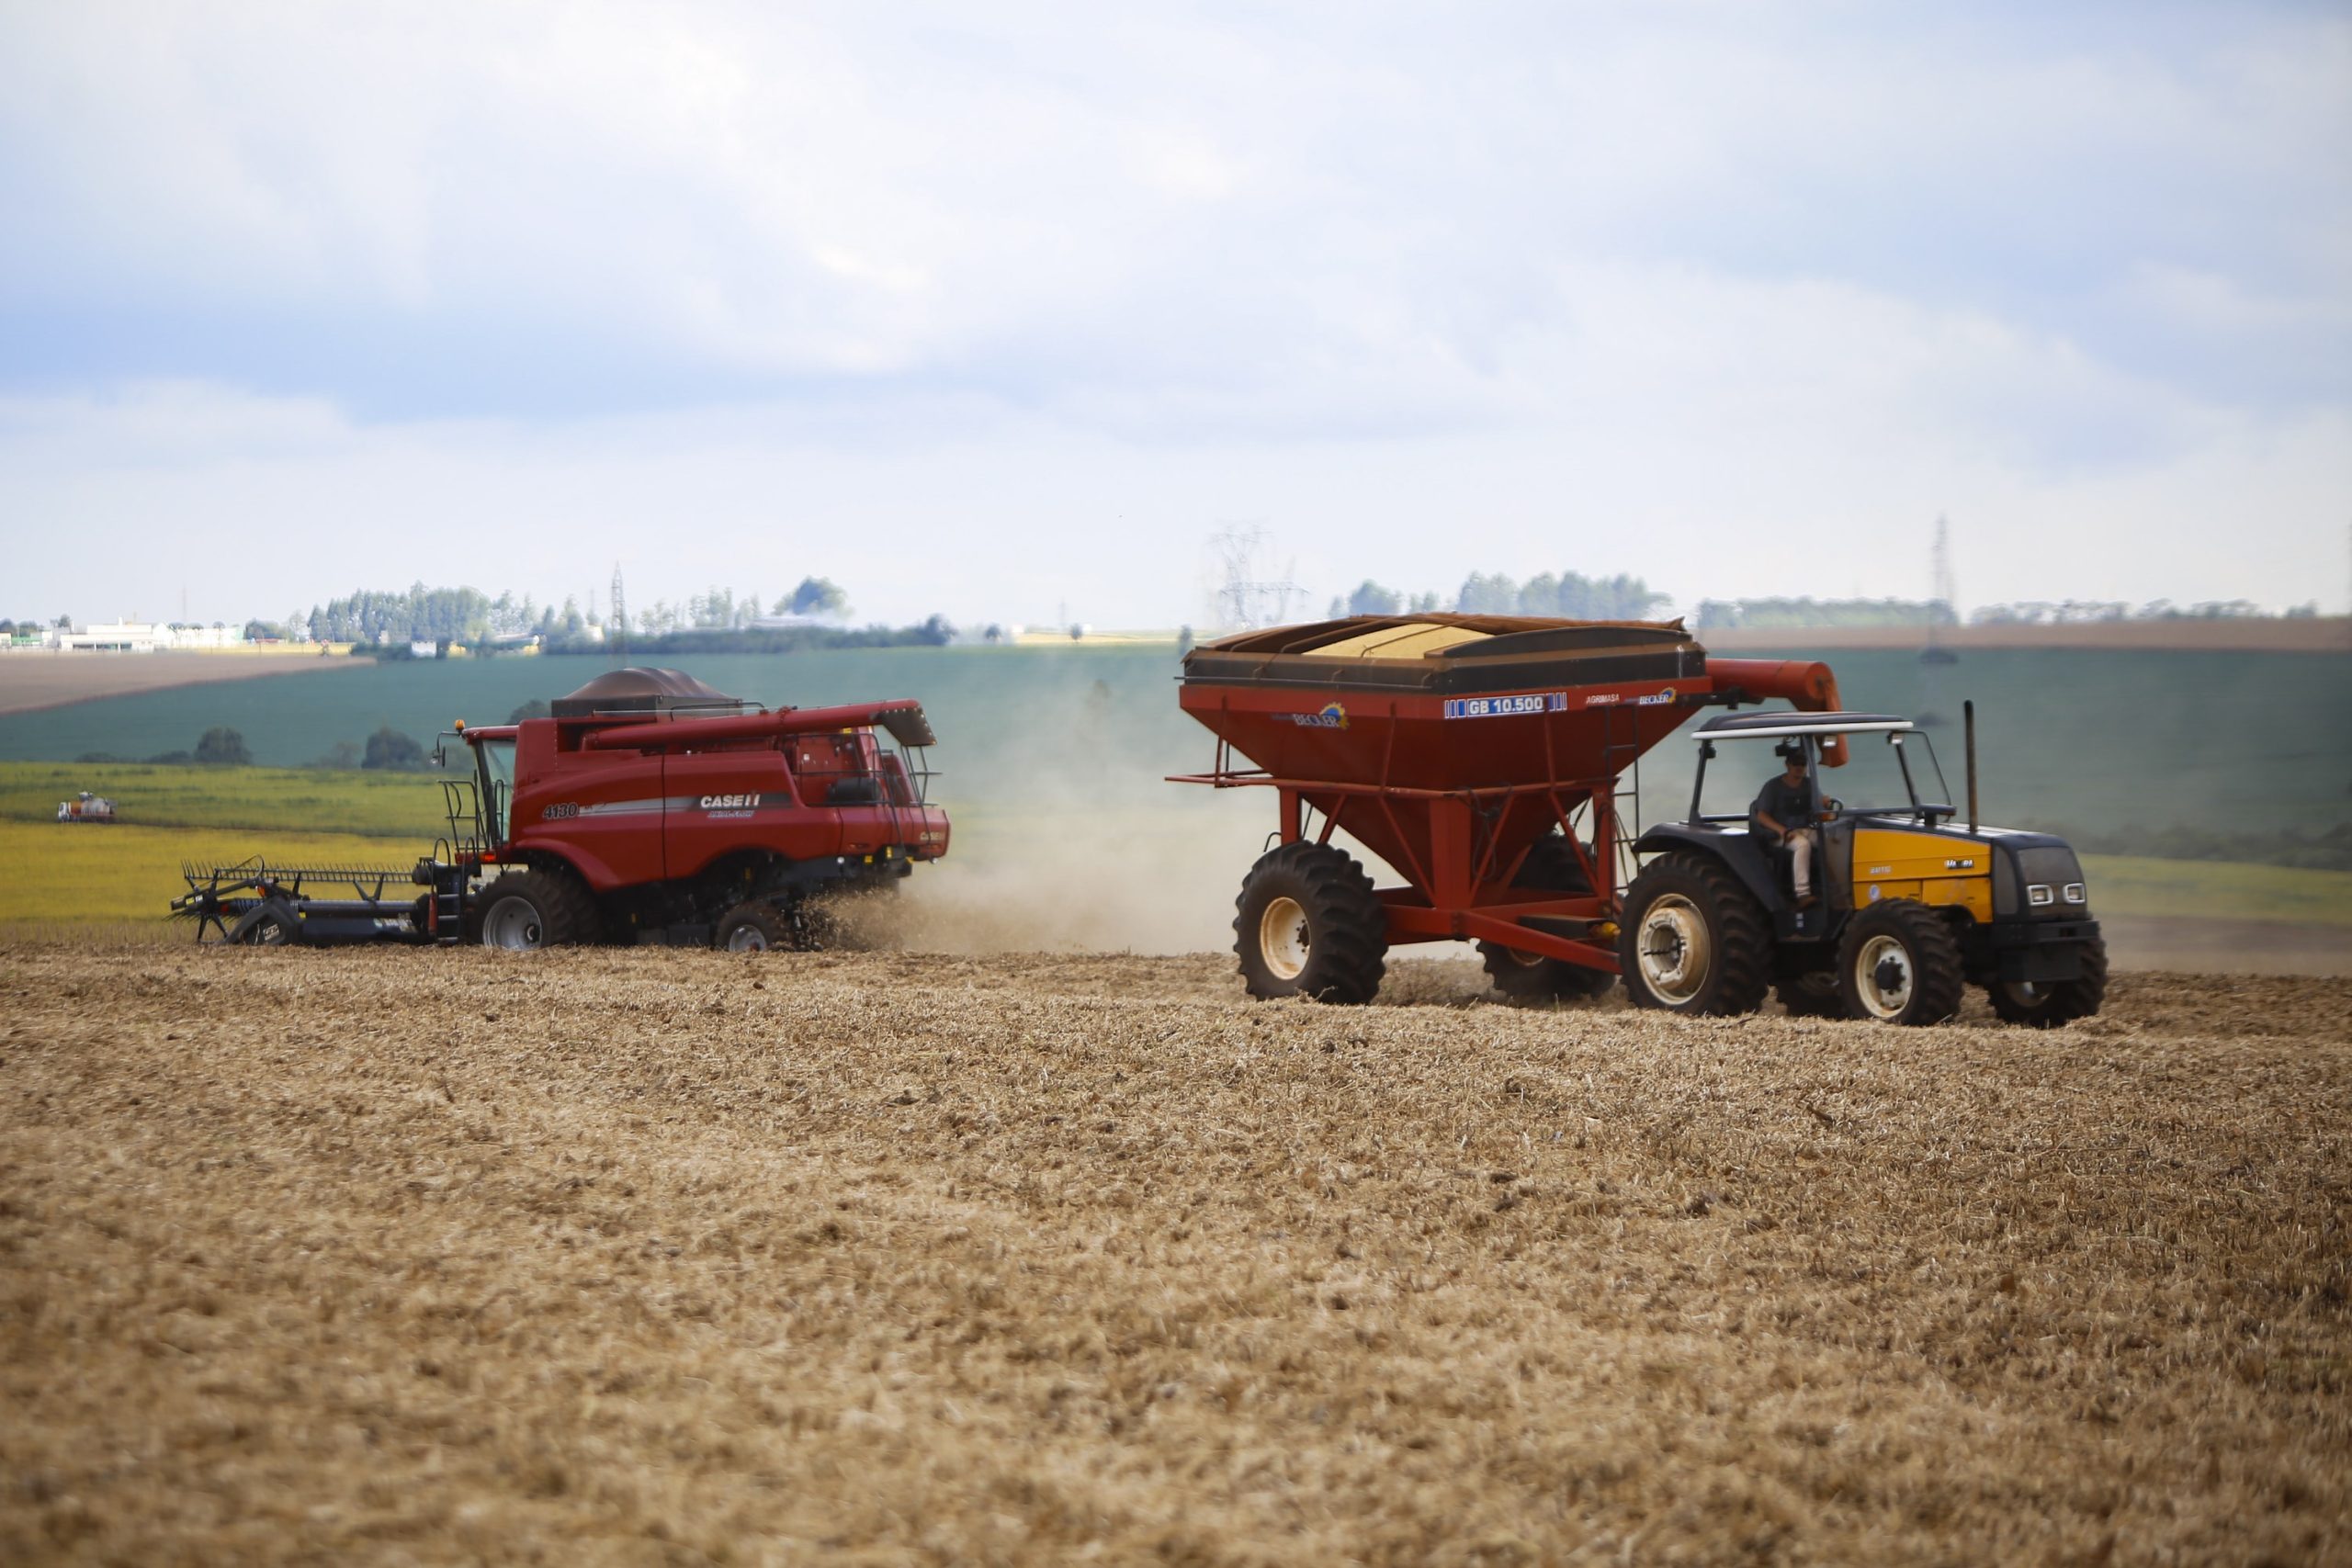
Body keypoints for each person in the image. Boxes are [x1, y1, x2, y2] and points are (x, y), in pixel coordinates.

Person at [1752, 742, 1823, 908]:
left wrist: (1824, 801)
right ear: (1787, 765)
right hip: (1779, 834)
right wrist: (1782, 830)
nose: (1799, 767)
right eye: (1795, 763)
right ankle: (1803, 894)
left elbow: (1818, 803)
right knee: (1802, 845)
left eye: (1802, 764)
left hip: (1805, 829)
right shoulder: (1773, 787)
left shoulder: (1808, 785)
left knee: (1830, 841)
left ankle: (1832, 887)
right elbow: (1761, 815)